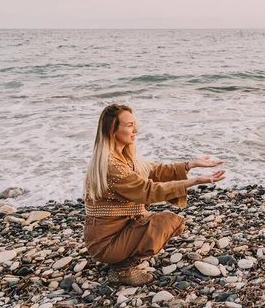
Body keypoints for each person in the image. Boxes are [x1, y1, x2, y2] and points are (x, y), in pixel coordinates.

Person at [83, 104, 225, 286]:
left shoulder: (123, 157)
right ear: (113, 130)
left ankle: (121, 258)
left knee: (171, 224)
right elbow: (149, 191)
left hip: (112, 234)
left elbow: (154, 170)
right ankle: (121, 268)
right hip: (105, 243)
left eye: (134, 124)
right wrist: (195, 181)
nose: (136, 130)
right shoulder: (112, 165)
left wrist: (191, 164)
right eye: (129, 125)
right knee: (167, 222)